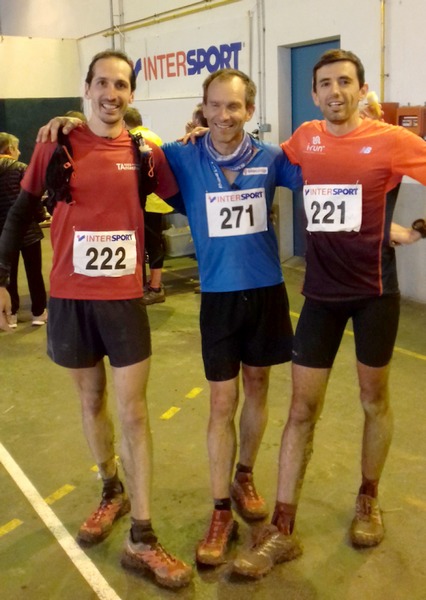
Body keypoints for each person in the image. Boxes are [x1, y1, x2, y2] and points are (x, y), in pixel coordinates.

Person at [0, 50, 192, 589]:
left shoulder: (144, 152)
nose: (112, 93)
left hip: (123, 299)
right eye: (103, 83)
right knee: (91, 401)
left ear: (131, 94)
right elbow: (21, 211)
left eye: (122, 85)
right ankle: (111, 489)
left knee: (133, 412)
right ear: (86, 88)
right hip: (68, 297)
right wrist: (2, 277)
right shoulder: (55, 144)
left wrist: (206, 141)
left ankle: (143, 537)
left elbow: (188, 200)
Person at [231, 49, 426, 579]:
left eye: (345, 81)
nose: (335, 91)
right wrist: (206, 136)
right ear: (314, 93)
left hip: (374, 294)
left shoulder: (392, 140)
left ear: (361, 89)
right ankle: (283, 528)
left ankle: (368, 498)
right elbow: (258, 156)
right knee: (301, 410)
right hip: (319, 295)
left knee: (373, 400)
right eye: (325, 84)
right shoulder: (306, 138)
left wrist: (415, 229)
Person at [162, 69, 302, 566]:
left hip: (266, 290)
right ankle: (220, 508)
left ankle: (245, 475)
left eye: (235, 106)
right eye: (216, 105)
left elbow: (324, 178)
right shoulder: (181, 155)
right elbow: (128, 152)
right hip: (218, 297)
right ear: (203, 108)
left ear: (250, 110)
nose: (224, 115)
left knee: (258, 387)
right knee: (222, 401)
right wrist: (70, 125)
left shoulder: (272, 158)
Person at [123, 107, 172, 304]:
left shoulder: (133, 140)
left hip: (146, 201)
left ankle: (155, 287)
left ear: (124, 123)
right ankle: (153, 283)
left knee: (151, 245)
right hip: (158, 200)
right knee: (154, 243)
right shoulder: (153, 136)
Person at [0, 132, 47, 327]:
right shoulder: (21, 168)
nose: (19, 152)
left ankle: (10, 314)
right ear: (10, 149)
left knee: (6, 274)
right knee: (34, 272)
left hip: (3, 234)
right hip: (28, 231)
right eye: (17, 148)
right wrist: (42, 216)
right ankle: (38, 312)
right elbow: (32, 198)